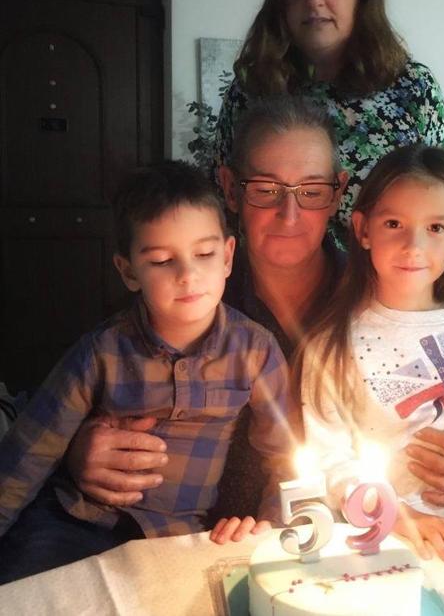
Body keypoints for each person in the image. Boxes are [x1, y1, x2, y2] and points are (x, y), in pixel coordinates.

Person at [66, 99, 444, 545]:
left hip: (353, 537)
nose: (288, 212)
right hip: (203, 535)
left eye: (311, 191)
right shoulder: (185, 291)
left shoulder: (395, 295)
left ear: (336, 194)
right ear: (232, 189)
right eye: (266, 189)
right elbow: (75, 399)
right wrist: (76, 452)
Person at [0, 161, 294, 583]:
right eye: (161, 260)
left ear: (228, 256)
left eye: (205, 254)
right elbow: (28, 453)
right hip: (75, 522)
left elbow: (283, 454)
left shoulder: (255, 349)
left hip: (176, 536)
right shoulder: (101, 351)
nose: (188, 275)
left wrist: (276, 532)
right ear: (128, 271)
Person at [297, 145, 444, 564]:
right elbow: (329, 457)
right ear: (363, 229)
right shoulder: (334, 346)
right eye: (394, 223)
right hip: (395, 532)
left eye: (436, 227)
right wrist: (398, 518)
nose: (414, 244)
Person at [200, 0, 444, 247]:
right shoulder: (251, 91)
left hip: (386, 292)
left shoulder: (412, 89)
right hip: (272, 289)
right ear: (280, 0)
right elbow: (218, 205)